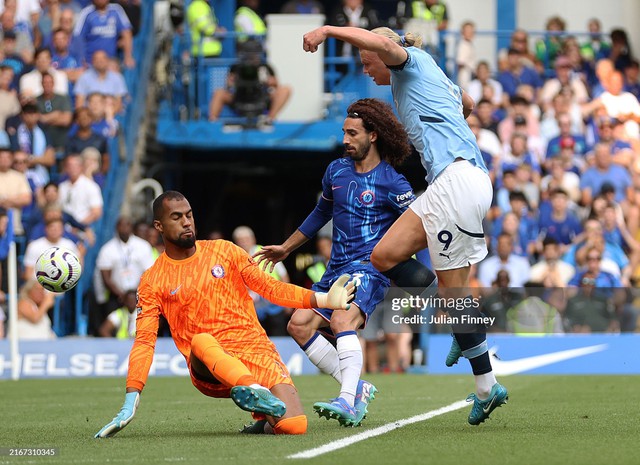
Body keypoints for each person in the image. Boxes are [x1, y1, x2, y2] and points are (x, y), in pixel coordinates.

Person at [302, 25, 508, 425]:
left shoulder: (406, 64)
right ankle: (486, 384)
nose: (366, 69)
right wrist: (444, 125)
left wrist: (327, 30)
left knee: (430, 284)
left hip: (456, 181)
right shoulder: (429, 70)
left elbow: (382, 44)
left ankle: (467, 344)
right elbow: (464, 101)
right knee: (397, 260)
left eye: (366, 61)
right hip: (467, 181)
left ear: (387, 52)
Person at [94, 191, 356, 438]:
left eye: (189, 215)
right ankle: (253, 389)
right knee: (201, 340)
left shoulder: (225, 250)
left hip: (255, 350)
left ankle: (263, 417)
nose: (186, 222)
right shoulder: (152, 279)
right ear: (159, 226)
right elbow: (144, 341)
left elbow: (270, 287)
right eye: (176, 217)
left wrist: (322, 299)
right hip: (209, 366)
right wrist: (131, 400)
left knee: (294, 426)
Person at [254, 99, 426, 427]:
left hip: (369, 269)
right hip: (336, 269)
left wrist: (406, 262)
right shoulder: (336, 171)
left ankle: (346, 399)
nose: (345, 139)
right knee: (298, 325)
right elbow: (321, 212)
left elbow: (417, 226)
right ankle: (355, 388)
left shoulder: (392, 181)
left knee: (341, 322)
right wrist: (287, 248)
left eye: (352, 133)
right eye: (343, 132)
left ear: (373, 135)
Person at [208, 39, 291, 125]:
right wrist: (232, 82)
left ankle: (270, 119)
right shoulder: (236, 67)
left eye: (254, 54)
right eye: (249, 54)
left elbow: (276, 85)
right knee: (219, 92)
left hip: (260, 99)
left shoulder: (265, 67)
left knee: (285, 89)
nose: (252, 57)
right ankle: (212, 122)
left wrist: (268, 81)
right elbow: (228, 86)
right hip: (239, 98)